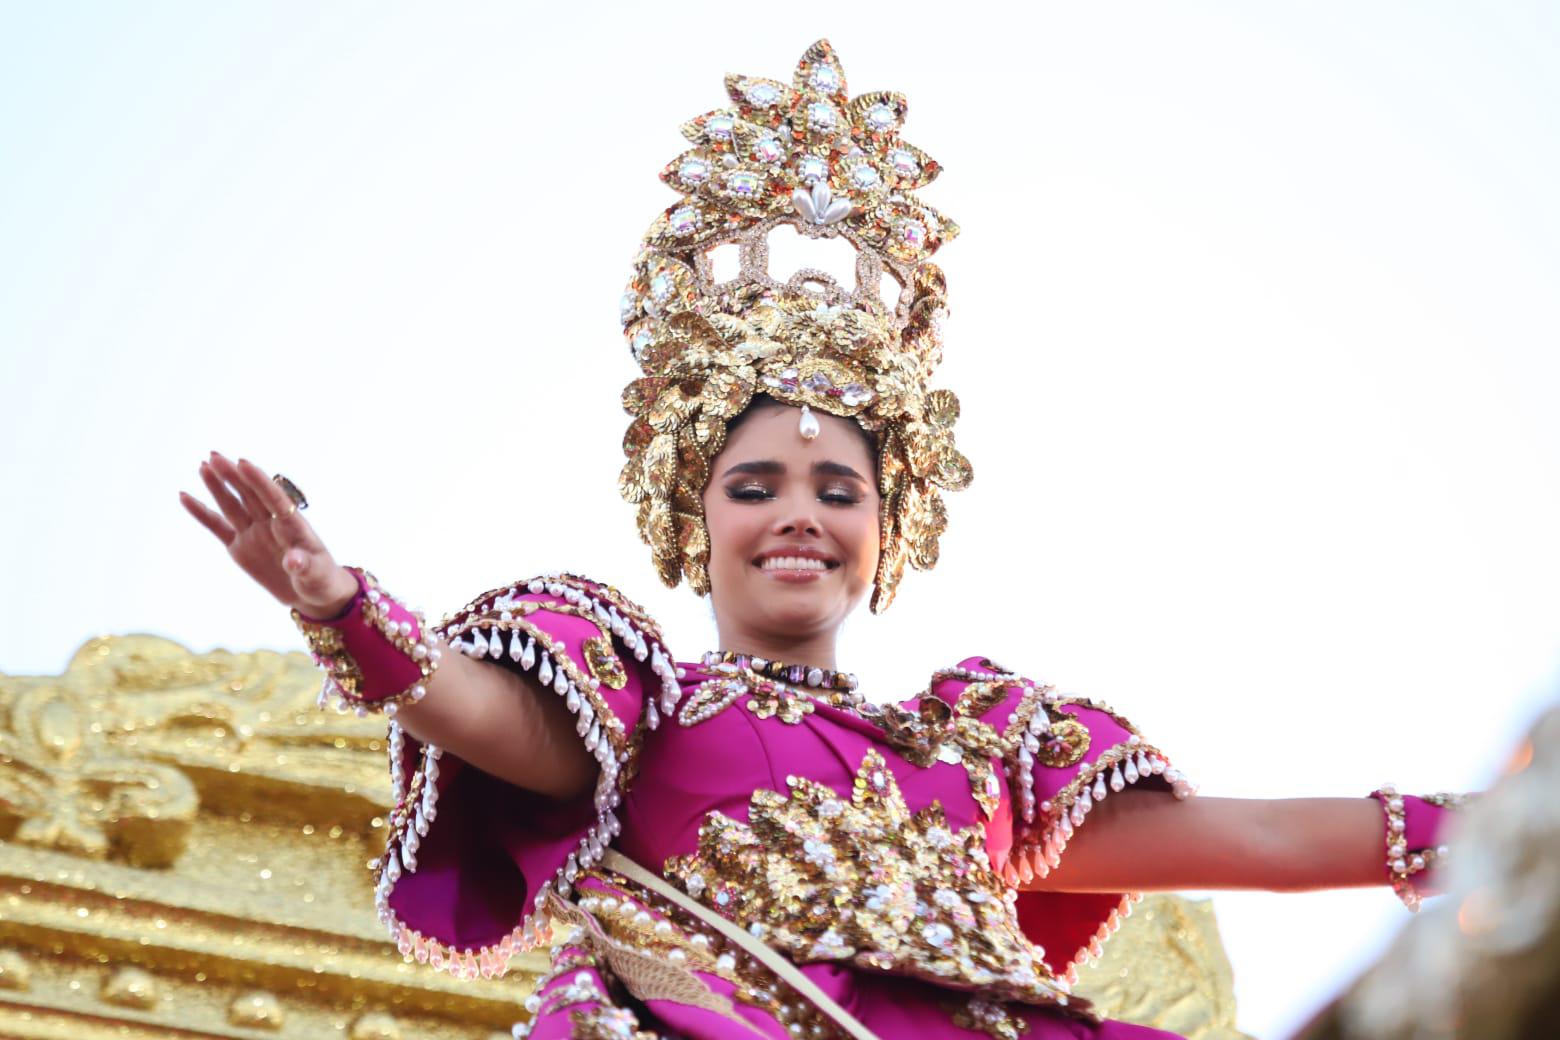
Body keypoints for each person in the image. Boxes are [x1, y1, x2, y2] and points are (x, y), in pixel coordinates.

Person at [179, 40, 1461, 1040]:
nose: (800, 511)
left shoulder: (980, 756)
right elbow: (479, 711)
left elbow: (1265, 842)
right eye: (757, 484)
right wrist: (344, 607)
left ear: (884, 530)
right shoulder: (643, 709)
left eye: (838, 489)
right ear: (698, 519)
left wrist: (1503, 822)